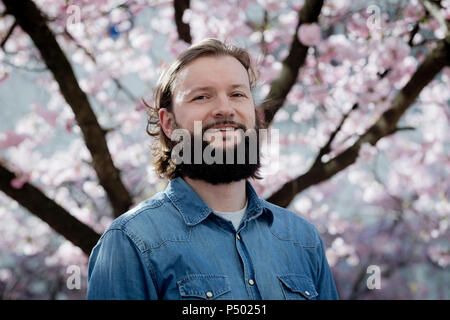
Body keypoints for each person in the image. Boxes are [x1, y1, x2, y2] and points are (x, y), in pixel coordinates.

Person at [86, 38, 339, 300]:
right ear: (169, 123)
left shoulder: (303, 239)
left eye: (237, 94)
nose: (224, 109)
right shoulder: (131, 241)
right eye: (202, 96)